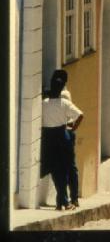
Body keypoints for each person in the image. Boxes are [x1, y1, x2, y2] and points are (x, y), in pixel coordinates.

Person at [41, 77, 83, 210]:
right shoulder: (64, 103)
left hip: (48, 137)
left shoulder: (43, 103)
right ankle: (63, 201)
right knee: (64, 169)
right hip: (62, 136)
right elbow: (80, 115)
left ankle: (62, 200)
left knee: (54, 170)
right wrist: (73, 128)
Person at [51, 69, 80, 208]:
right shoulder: (65, 92)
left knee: (66, 167)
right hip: (66, 130)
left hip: (64, 130)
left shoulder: (63, 94)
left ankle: (70, 198)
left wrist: (72, 128)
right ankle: (72, 197)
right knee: (70, 166)